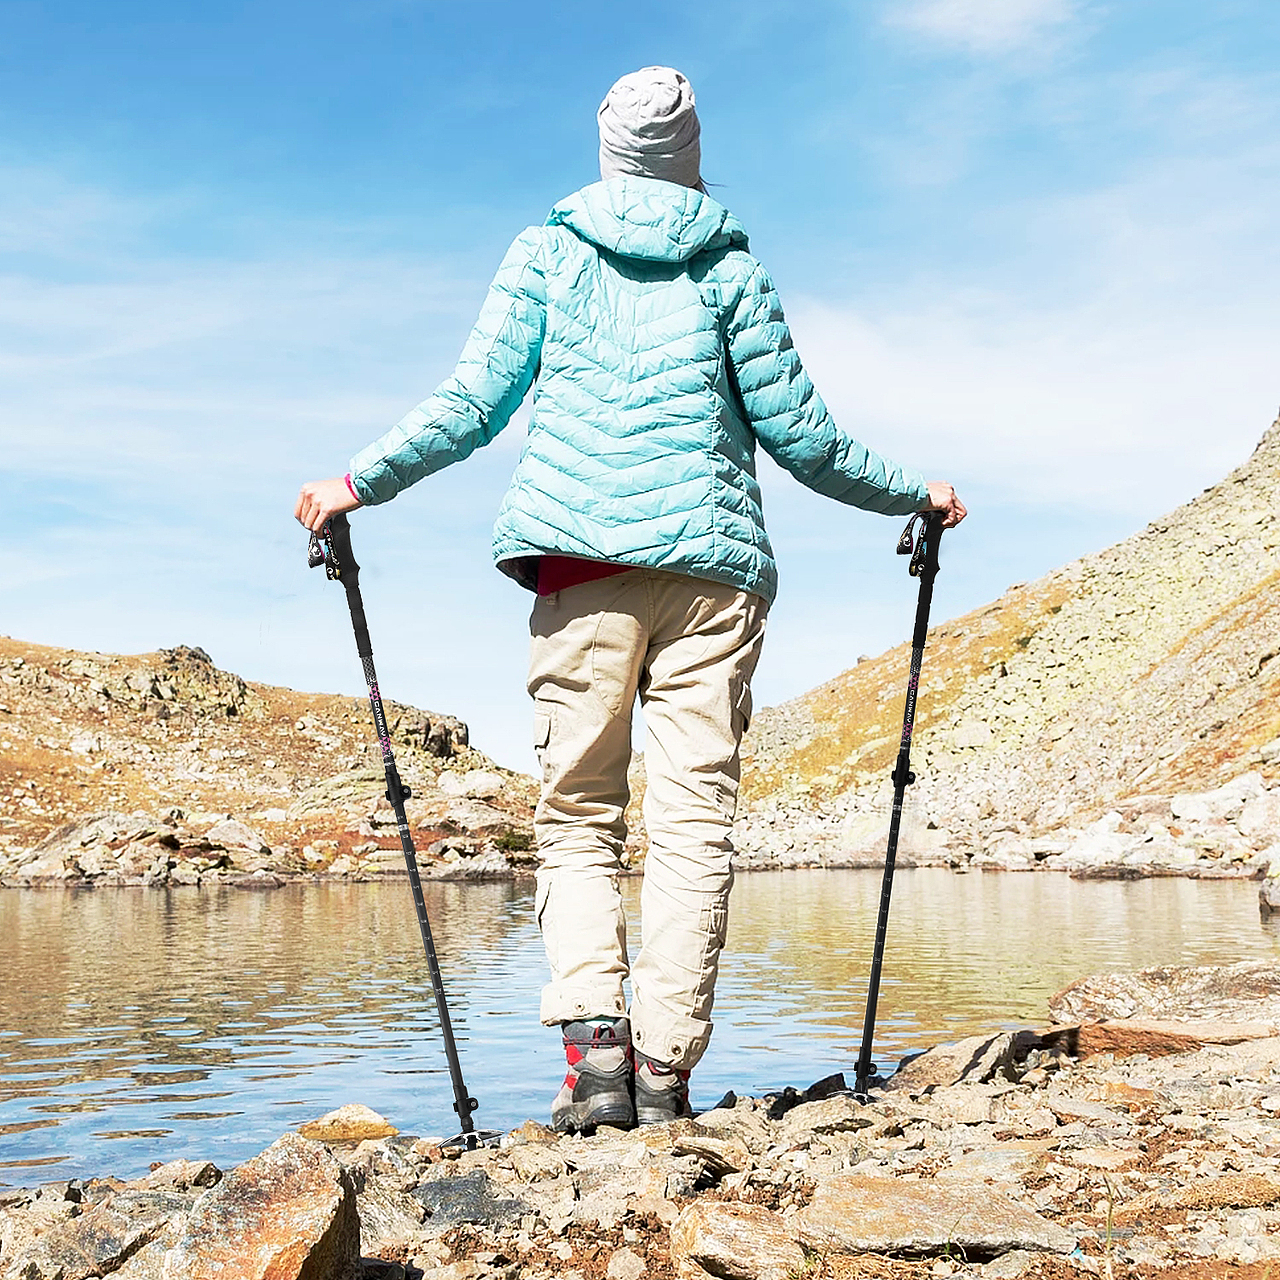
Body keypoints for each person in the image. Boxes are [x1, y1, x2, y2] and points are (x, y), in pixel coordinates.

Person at [295, 66, 966, 1133]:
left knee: (578, 814)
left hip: (581, 571)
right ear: (693, 157)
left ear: (607, 152)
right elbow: (803, 438)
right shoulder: (731, 266)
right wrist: (911, 492)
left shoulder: (547, 253)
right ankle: (663, 1070)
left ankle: (596, 1061)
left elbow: (473, 402)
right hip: (713, 577)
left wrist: (356, 480)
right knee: (695, 819)